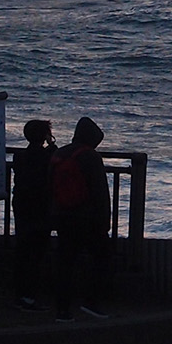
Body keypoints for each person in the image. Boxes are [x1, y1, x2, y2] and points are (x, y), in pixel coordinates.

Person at [49, 116, 111, 322]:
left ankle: (62, 311)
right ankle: (91, 303)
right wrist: (105, 221)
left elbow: (50, 188)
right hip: (88, 218)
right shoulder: (91, 157)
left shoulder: (59, 153)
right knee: (101, 259)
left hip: (62, 215)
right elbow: (100, 192)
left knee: (65, 263)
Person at [11, 119, 56, 309]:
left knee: (23, 248)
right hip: (41, 206)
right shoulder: (49, 156)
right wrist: (51, 142)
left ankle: (22, 293)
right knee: (37, 251)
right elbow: (54, 153)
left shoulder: (19, 156)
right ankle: (29, 295)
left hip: (22, 204)